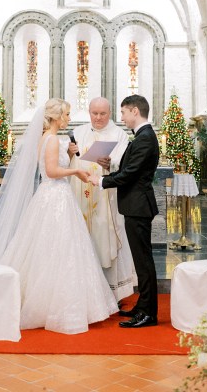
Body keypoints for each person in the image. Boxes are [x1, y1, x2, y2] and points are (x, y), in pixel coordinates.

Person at [0, 98, 117, 335]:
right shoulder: (51, 140)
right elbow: (51, 172)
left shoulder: (51, 139)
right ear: (57, 117)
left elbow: (56, 167)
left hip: (56, 195)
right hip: (55, 196)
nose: (69, 119)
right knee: (56, 248)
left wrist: (70, 156)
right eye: (67, 114)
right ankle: (53, 306)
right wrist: (76, 170)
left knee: (57, 249)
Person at [88, 95, 159, 328]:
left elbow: (130, 175)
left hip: (138, 206)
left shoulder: (145, 138)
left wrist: (101, 181)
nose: (122, 117)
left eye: (124, 112)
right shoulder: (141, 137)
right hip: (134, 204)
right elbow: (129, 168)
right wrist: (110, 167)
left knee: (144, 261)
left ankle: (148, 313)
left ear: (135, 111)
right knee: (141, 261)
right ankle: (143, 306)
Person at [69, 97, 137, 302]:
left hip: (106, 196)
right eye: (94, 113)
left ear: (110, 113)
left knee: (105, 236)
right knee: (80, 235)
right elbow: (69, 160)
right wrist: (68, 151)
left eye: (103, 114)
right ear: (89, 112)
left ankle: (111, 292)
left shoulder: (119, 134)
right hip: (79, 195)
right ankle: (81, 289)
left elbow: (123, 165)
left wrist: (110, 164)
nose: (98, 118)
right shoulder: (78, 132)